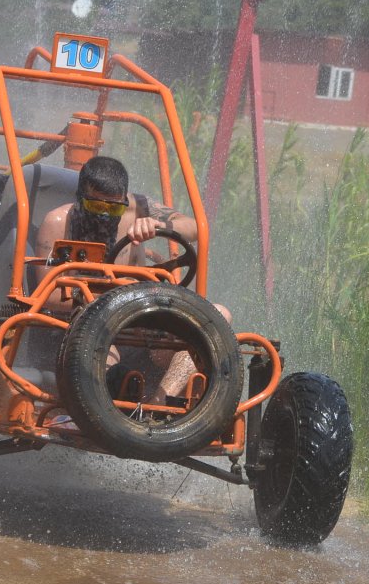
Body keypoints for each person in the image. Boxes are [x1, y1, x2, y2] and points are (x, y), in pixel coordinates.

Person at [37, 155, 232, 406]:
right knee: (99, 347)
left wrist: (157, 224)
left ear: (124, 199)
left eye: (114, 208)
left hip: (142, 322)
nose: (105, 216)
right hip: (87, 326)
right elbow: (47, 296)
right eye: (97, 207)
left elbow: (195, 228)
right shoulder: (58, 222)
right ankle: (112, 401)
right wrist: (120, 295)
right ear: (80, 197)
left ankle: (158, 402)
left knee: (217, 316)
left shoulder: (138, 207)